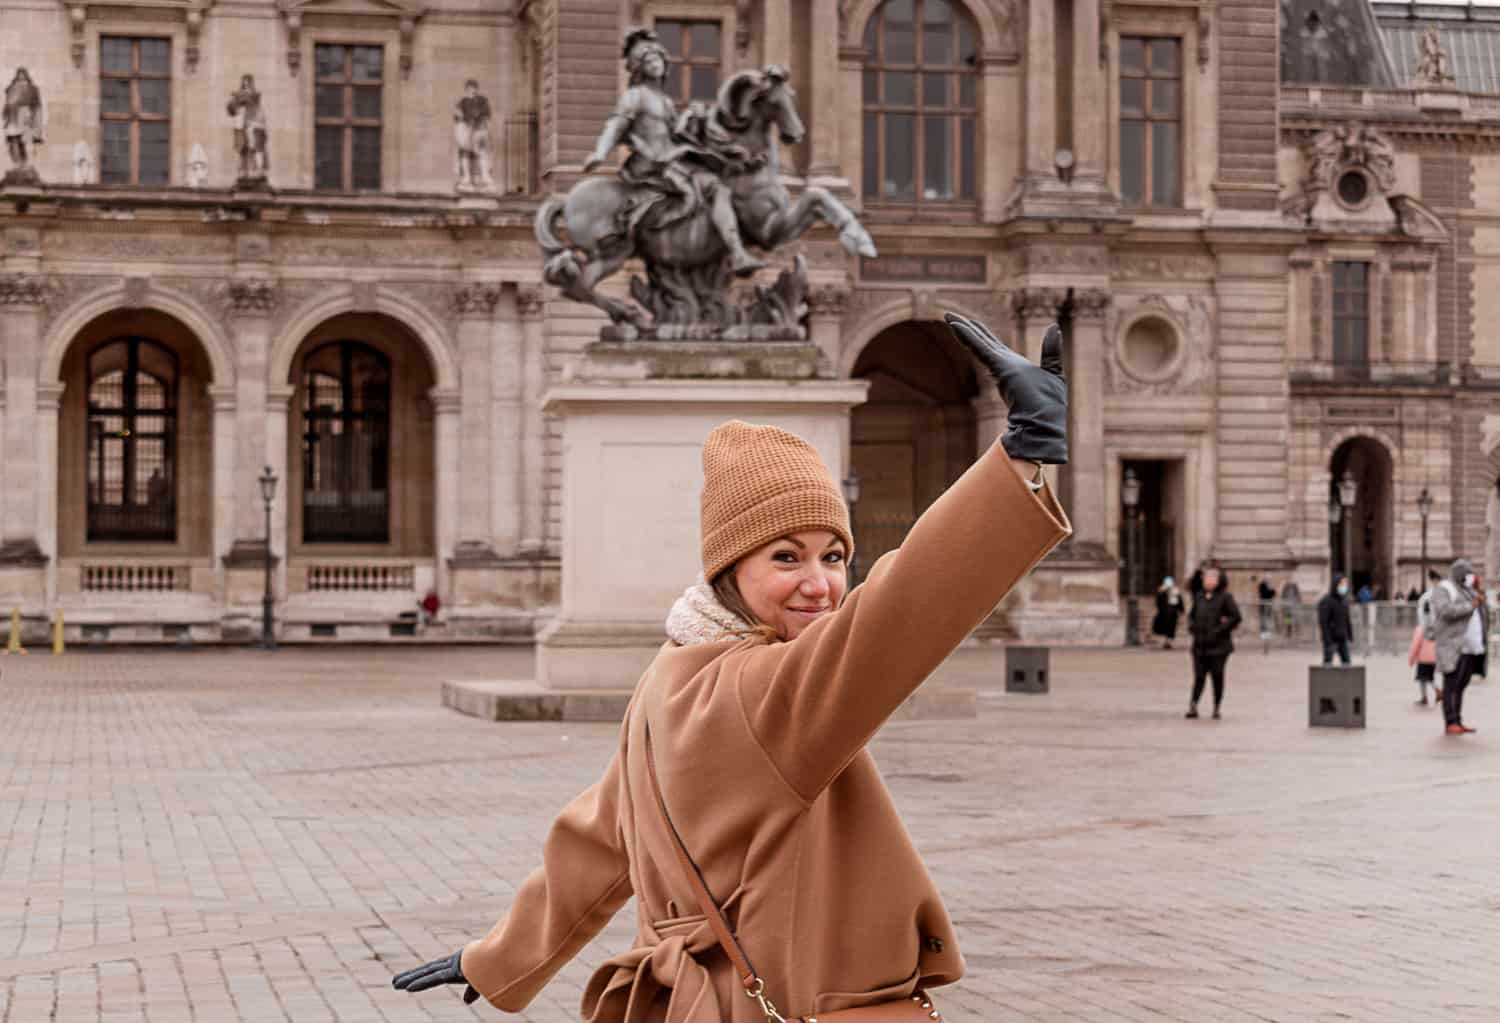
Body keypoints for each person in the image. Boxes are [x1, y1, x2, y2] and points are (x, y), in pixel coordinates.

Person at [391, 311, 1071, 1020]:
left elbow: (598, 842)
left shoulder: (669, 675)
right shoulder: (768, 690)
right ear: (728, 569)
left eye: (833, 556)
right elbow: (899, 612)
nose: (820, 582)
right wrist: (1018, 461)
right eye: (786, 556)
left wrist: (496, 958)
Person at [583, 27, 765, 276]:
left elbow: (676, 134)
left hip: (669, 157)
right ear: (638, 67)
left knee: (716, 174)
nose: (655, 64)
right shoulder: (635, 96)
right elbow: (616, 125)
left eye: (658, 58)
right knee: (715, 186)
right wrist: (600, 152)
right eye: (648, 60)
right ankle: (737, 254)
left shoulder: (666, 102)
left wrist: (691, 115)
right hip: (651, 163)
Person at [1431, 558, 1485, 735]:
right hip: (1452, 645)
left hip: (1469, 646)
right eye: (1467, 573)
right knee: (1451, 684)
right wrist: (1470, 605)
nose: (1470, 577)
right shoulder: (1444, 588)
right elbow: (1445, 611)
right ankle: (1450, 721)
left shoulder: (1466, 589)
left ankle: (1458, 720)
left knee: (1462, 683)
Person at [1186, 566, 1241, 720]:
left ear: (1219, 581)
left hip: (1219, 646)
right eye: (1206, 578)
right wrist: (1192, 627)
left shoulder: (1226, 597)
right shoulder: (1199, 596)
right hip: (1199, 645)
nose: (1208, 581)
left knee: (1217, 676)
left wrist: (1220, 629)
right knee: (1199, 676)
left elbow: (1235, 616)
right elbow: (1192, 615)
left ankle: (1216, 706)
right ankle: (1193, 705)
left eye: (1212, 578)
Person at [1317, 574, 1354, 666]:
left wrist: (1350, 635)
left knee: (1347, 663)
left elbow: (1347, 620)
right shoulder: (1326, 601)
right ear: (1336, 584)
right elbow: (1323, 622)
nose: (1344, 586)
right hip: (1331, 638)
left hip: (1342, 637)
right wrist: (1327, 639)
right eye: (1342, 584)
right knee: (1328, 664)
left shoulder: (1344, 601)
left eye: (1345, 584)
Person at [1409, 617, 1438, 706]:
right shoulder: (1437, 628)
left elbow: (1415, 645)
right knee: (1431, 678)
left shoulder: (1420, 629)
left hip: (1423, 659)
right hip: (1434, 658)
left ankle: (1424, 697)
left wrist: (1411, 659)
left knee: (1422, 679)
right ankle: (1438, 691)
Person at [1152, 576, 1183, 650]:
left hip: (1173, 613)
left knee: (1171, 628)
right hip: (1164, 613)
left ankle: (1168, 642)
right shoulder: (1162, 591)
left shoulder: (1175, 591)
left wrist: (1181, 610)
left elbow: (1179, 601)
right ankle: (1166, 641)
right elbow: (1158, 602)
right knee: (1165, 628)